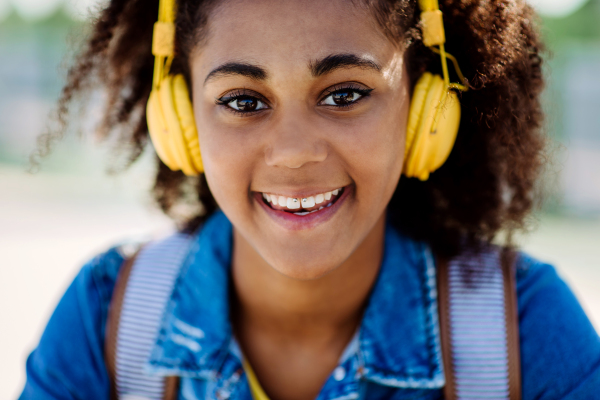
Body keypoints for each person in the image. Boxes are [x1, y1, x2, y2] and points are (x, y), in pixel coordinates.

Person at [20, 0, 600, 399]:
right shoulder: (107, 319)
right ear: (180, 120)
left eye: (345, 93)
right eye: (244, 101)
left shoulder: (520, 331)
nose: (293, 153)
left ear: (426, 108)